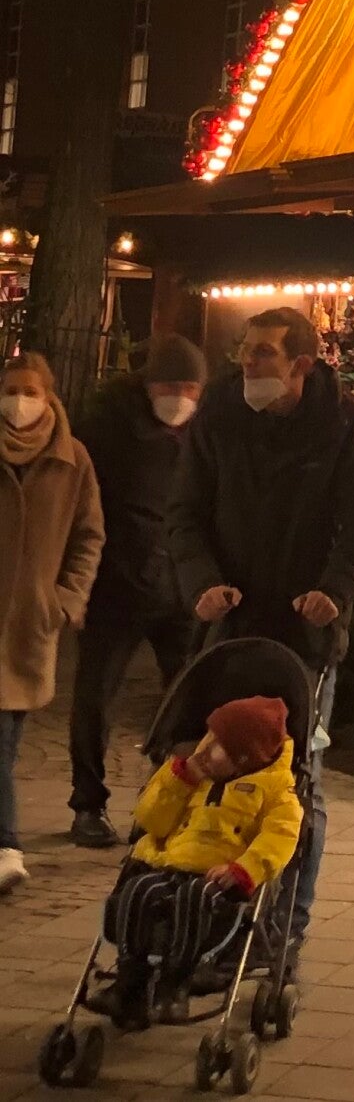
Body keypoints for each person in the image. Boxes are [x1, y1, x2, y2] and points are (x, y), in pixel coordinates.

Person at [168, 310, 354, 958]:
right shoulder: (218, 418)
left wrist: (333, 593)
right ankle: (206, 920)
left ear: (301, 366)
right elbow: (185, 515)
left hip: (304, 634)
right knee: (213, 768)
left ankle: (282, 931)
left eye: (264, 353)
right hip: (230, 626)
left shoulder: (344, 426)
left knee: (295, 783)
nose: (249, 363)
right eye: (247, 351)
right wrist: (202, 583)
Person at [67, 334, 208, 848]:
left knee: (186, 698)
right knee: (95, 698)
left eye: (190, 388)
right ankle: (88, 802)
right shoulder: (108, 430)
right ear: (149, 386)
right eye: (170, 387)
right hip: (117, 586)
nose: (180, 398)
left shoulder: (203, 434)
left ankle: (167, 799)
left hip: (181, 590)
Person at [104, 694, 302, 1019]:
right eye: (207, 736)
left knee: (195, 896)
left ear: (243, 758)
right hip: (170, 864)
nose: (204, 748)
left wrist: (243, 869)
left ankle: (175, 983)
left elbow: (278, 838)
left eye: (217, 743)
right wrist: (180, 781)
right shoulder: (191, 775)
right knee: (136, 889)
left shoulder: (276, 791)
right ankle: (130, 981)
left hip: (219, 879)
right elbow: (152, 822)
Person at [0, 350, 104, 896]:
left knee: (4, 739)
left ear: (50, 397)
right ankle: (5, 845)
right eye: (10, 390)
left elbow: (89, 534)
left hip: (28, 623)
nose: (19, 402)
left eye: (30, 392)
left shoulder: (72, 459)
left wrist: (65, 599)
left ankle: (5, 845)